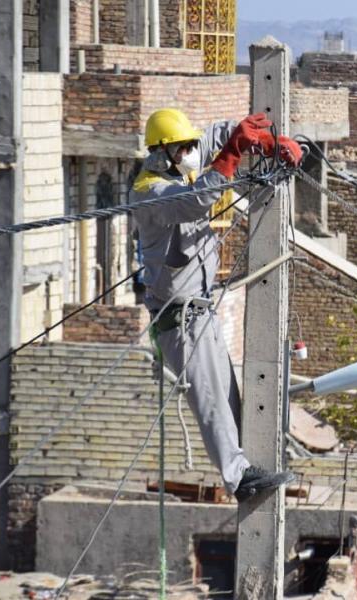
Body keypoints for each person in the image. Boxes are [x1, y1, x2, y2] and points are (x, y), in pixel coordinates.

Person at [131, 108, 303, 502]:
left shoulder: (181, 162)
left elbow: (223, 134)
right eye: (183, 148)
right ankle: (239, 480)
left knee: (228, 397)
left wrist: (267, 143)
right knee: (211, 402)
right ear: (161, 153)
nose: (191, 152)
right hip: (179, 320)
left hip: (200, 311)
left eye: (191, 145)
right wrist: (232, 154)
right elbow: (194, 202)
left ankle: (251, 463)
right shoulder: (149, 193)